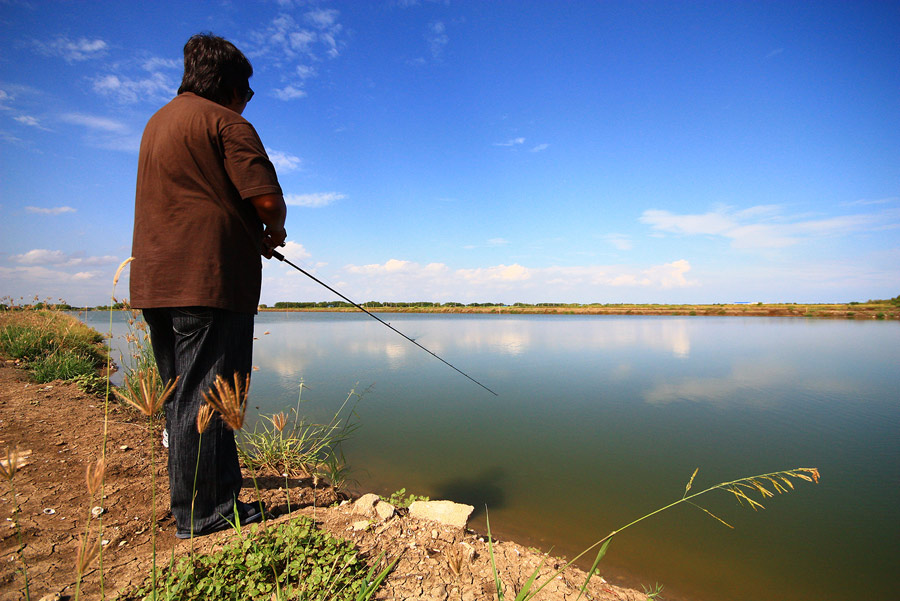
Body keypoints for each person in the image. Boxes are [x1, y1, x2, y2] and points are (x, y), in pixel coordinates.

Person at [130, 33, 287, 539]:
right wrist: (273, 231)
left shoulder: (157, 123)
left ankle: (197, 503)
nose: (249, 98)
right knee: (212, 398)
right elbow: (265, 199)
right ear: (228, 83)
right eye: (247, 87)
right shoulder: (226, 121)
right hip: (209, 284)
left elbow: (201, 197)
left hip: (157, 283)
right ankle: (205, 516)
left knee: (183, 397)